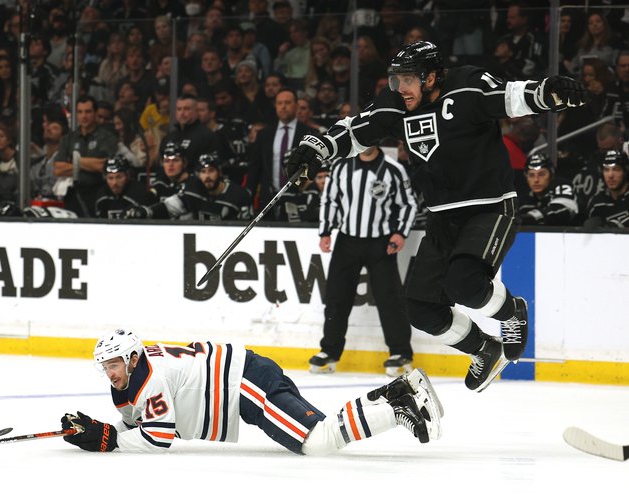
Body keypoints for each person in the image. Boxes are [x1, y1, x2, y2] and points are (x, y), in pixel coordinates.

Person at [286, 41, 587, 391]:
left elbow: (511, 96)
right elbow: (357, 130)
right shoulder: (396, 104)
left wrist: (549, 91)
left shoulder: (468, 85)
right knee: (421, 309)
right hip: (442, 217)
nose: (400, 88)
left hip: (490, 207)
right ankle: (484, 350)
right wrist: (316, 149)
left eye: (408, 80)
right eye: (396, 79)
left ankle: (511, 313)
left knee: (465, 283)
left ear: (430, 77)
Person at [59, 328, 443, 454]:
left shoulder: (149, 379)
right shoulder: (136, 374)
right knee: (320, 433)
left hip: (245, 384)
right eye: (104, 366)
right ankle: (397, 394)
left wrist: (108, 440)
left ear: (129, 358)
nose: (108, 372)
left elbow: (158, 437)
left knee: (317, 441)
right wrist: (104, 428)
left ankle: (397, 406)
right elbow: (141, 421)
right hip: (245, 377)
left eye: (112, 364)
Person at [309, 146, 417, 377]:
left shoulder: (393, 170)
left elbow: (408, 204)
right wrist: (325, 231)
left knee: (390, 299)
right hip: (347, 241)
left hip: (381, 243)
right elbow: (330, 200)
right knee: (337, 298)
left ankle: (400, 353)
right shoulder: (341, 167)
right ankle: (329, 351)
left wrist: (401, 233)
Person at [125, 152, 252, 221]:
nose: (207, 176)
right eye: (203, 172)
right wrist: (146, 212)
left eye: (211, 171)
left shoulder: (239, 195)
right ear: (197, 174)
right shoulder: (193, 188)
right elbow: (170, 207)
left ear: (220, 172)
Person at [53, 95, 119, 217]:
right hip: (73, 194)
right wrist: (89, 165)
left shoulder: (107, 137)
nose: (84, 116)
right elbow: (57, 169)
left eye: (88, 111)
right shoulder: (69, 138)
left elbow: (103, 165)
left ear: (95, 113)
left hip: (99, 192)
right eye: (80, 112)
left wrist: (75, 161)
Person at [518, 153, 579, 226]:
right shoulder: (525, 196)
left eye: (542, 174)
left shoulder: (562, 186)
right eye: (531, 175)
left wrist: (531, 217)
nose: (536, 180)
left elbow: (564, 211)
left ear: (551, 175)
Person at [585, 150, 629, 228]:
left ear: (625, 171)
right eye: (606, 170)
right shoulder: (597, 202)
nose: (610, 175)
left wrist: (616, 225)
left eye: (616, 169)